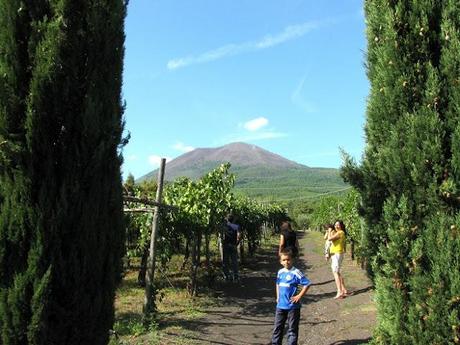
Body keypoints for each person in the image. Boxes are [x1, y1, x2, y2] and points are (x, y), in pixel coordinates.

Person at [271, 248, 311, 345]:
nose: (286, 262)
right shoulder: (280, 272)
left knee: (292, 330)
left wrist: (299, 296)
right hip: (280, 306)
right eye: (284, 260)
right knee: (277, 328)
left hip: (293, 307)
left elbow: (307, 283)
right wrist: (278, 297)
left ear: (292, 260)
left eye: (288, 259)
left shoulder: (296, 272)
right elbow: (278, 283)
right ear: (280, 261)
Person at [328, 220, 348, 299]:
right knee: (337, 272)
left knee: (335, 272)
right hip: (336, 254)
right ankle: (344, 289)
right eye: (335, 225)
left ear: (341, 226)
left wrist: (329, 231)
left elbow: (329, 238)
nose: (336, 226)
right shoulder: (340, 233)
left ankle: (339, 291)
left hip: (337, 254)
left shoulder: (340, 233)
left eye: (338, 225)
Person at [221, 214, 241, 282]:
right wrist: (236, 244)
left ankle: (226, 277)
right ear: (233, 220)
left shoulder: (224, 226)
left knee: (225, 261)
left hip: (226, 245)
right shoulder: (236, 227)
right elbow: (238, 236)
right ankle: (235, 277)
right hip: (233, 245)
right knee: (234, 261)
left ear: (227, 219)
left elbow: (222, 236)